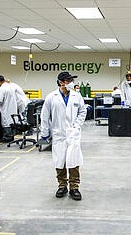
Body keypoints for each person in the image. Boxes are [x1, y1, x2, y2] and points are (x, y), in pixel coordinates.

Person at [40, 72, 87, 201]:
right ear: (61, 82)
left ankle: (74, 187)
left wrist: (77, 126)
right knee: (59, 162)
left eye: (72, 80)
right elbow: (44, 116)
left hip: (73, 134)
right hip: (58, 134)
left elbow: (83, 111)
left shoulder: (77, 96)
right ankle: (62, 185)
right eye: (68, 80)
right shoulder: (51, 97)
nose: (71, 82)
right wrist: (45, 133)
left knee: (74, 161)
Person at [0, 75, 18, 142]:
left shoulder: (2, 89)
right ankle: (11, 136)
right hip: (13, 108)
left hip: (6, 109)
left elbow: (0, 101)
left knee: (6, 122)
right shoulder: (10, 87)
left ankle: (7, 138)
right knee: (11, 121)